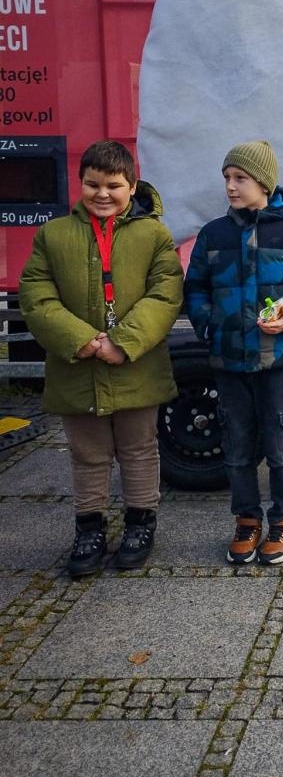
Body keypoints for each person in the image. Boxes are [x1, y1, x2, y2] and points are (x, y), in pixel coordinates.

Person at [19, 139, 184, 576]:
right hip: (77, 366)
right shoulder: (53, 235)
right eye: (93, 184)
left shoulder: (154, 235)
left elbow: (165, 293)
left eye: (113, 185)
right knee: (87, 453)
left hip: (136, 365)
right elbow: (37, 295)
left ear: (132, 186)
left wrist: (123, 342)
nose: (103, 194)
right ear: (81, 183)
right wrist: (83, 340)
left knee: (139, 449)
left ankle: (140, 523)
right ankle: (89, 527)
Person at [185, 140, 283, 566]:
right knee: (237, 445)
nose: (231, 186)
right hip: (228, 360)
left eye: (240, 178)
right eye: (227, 178)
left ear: (264, 183)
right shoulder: (214, 234)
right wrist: (208, 323)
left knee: (282, 445)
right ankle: (246, 519)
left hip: (277, 361)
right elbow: (195, 287)